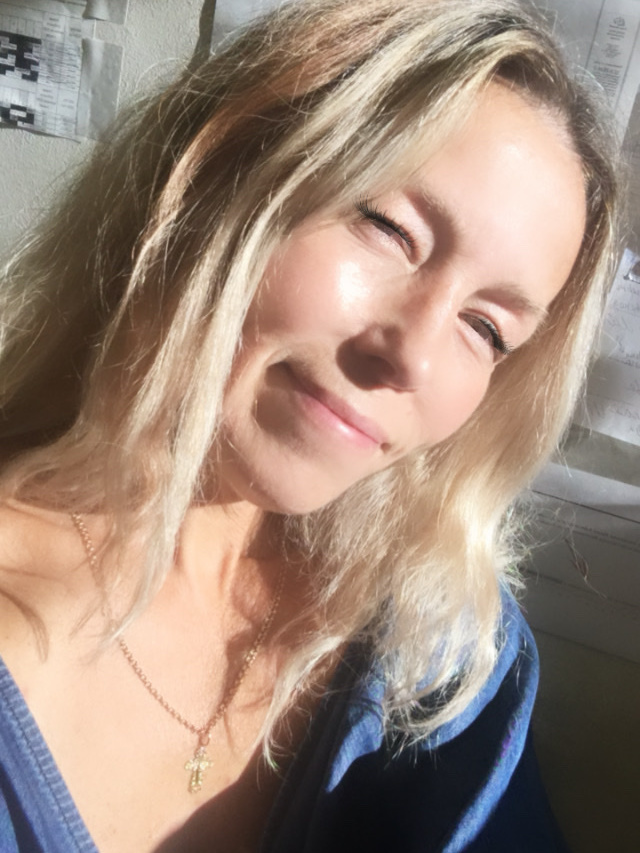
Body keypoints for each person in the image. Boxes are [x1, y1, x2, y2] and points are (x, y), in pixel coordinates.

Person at [0, 0, 619, 851]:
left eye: (486, 327)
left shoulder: (441, 651)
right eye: (388, 228)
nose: (412, 357)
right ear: (216, 171)